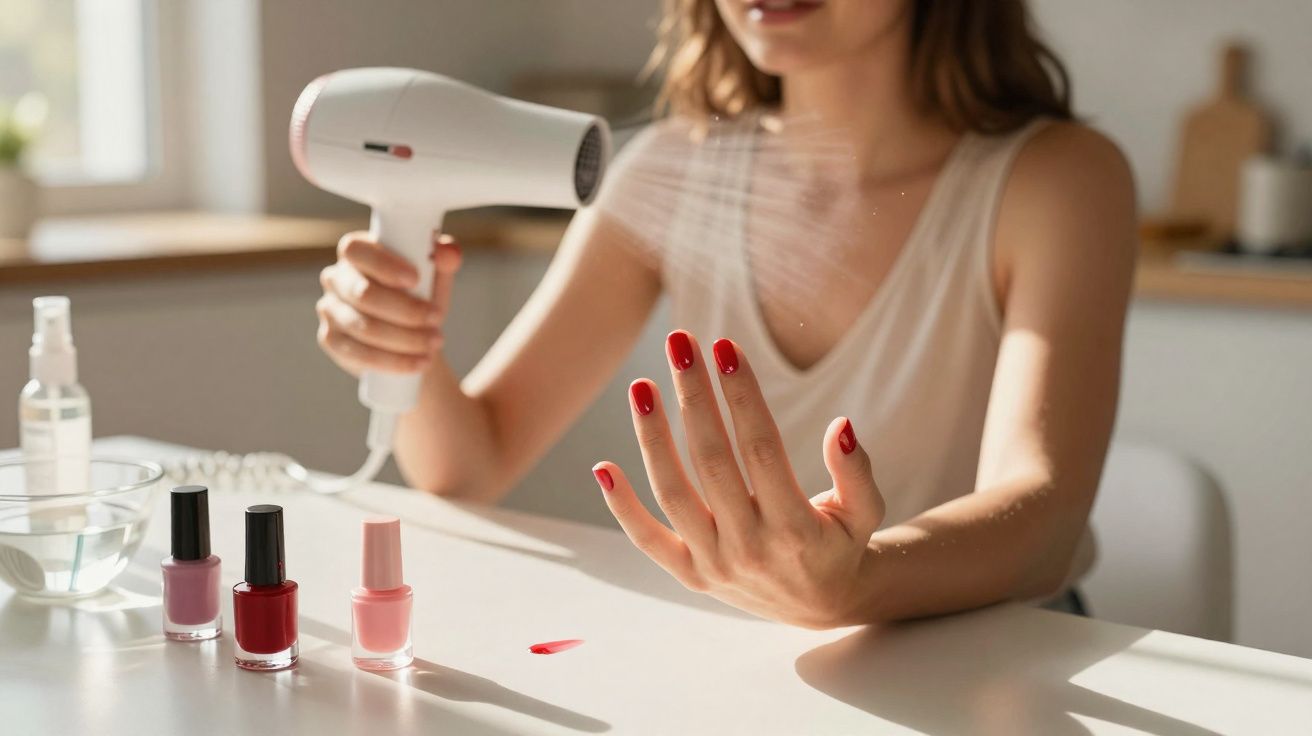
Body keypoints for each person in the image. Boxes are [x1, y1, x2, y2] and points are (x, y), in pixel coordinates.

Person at [313, 0, 1136, 628]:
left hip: (1003, 661)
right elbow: (469, 465)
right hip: (776, 657)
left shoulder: (1057, 181)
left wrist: (861, 579)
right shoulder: (671, 170)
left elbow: (1046, 518)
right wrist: (402, 350)